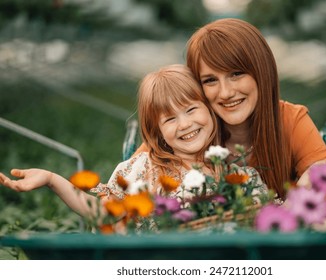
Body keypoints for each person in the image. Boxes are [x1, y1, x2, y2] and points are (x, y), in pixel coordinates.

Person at [0, 64, 266, 218]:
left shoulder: (233, 171)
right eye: (169, 119)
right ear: (157, 131)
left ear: (209, 109)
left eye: (191, 109)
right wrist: (51, 179)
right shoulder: (146, 170)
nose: (185, 124)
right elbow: (103, 212)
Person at [132, 18, 326, 202]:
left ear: (261, 71)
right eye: (210, 80)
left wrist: (314, 188)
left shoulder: (290, 120)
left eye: (236, 73)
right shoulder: (189, 130)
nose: (226, 92)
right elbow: (120, 191)